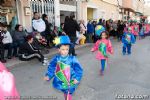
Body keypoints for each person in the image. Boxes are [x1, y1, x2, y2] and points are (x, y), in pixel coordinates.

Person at [44, 36, 83, 100]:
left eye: (67, 49)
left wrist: (77, 78)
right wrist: (49, 75)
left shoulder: (72, 59)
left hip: (71, 80)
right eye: (63, 49)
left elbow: (79, 70)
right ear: (59, 50)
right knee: (65, 92)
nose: (65, 51)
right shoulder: (56, 59)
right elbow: (52, 67)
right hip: (61, 80)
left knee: (68, 93)